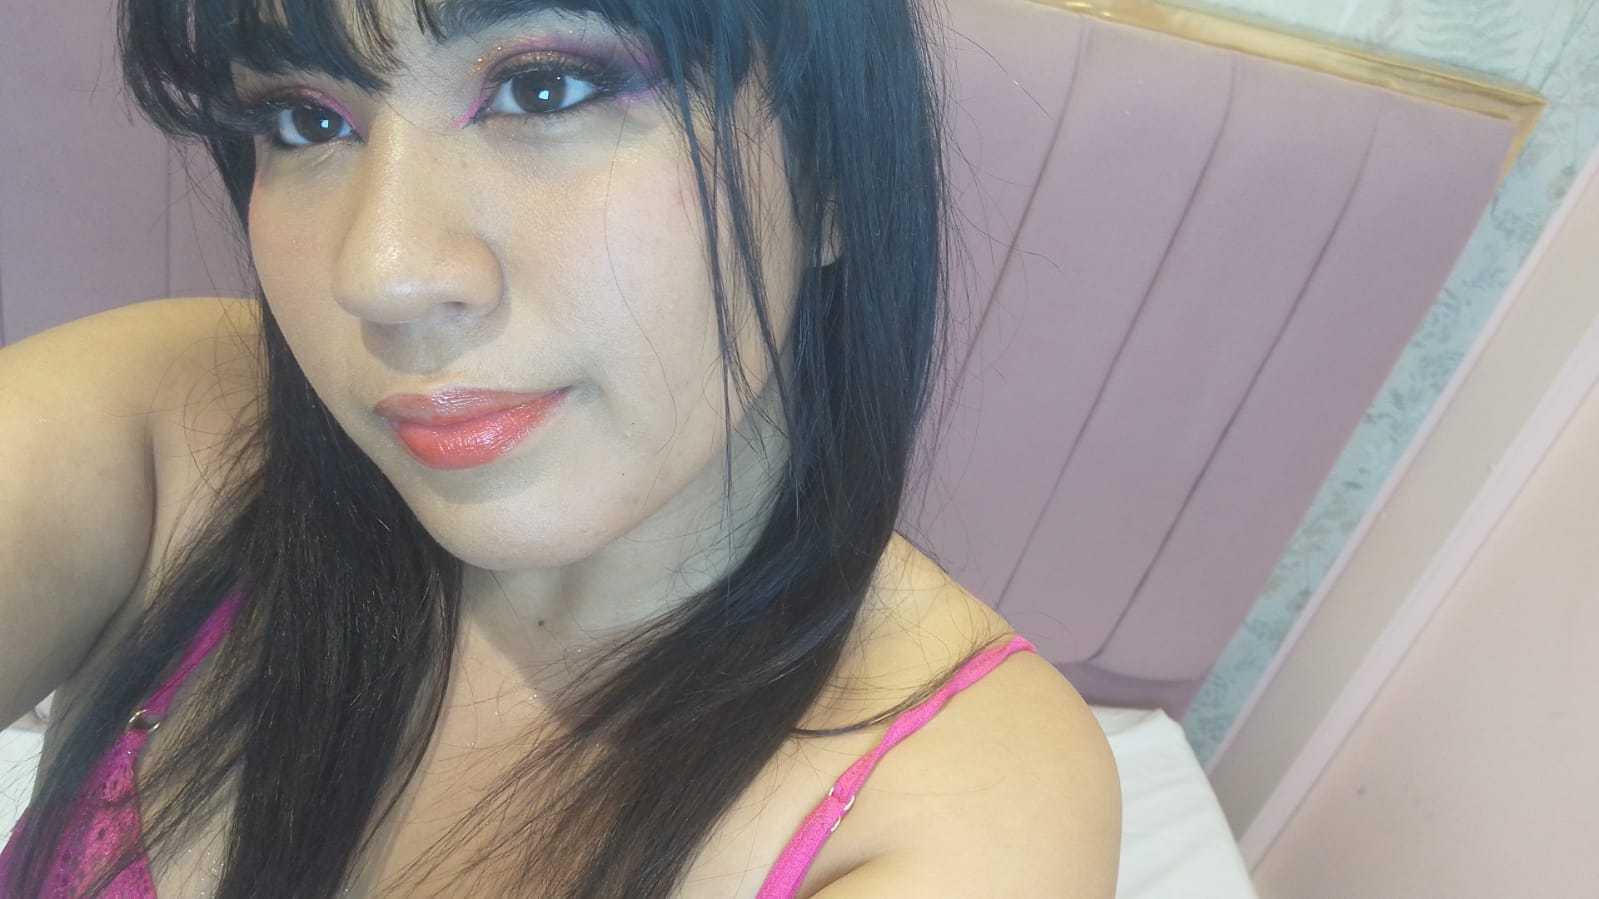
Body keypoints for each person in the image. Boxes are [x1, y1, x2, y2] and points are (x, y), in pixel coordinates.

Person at [0, 0, 1122, 895]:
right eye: (303, 119)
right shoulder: (159, 422)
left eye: (547, 88)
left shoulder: (957, 793)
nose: (382, 275)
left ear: (833, 169)